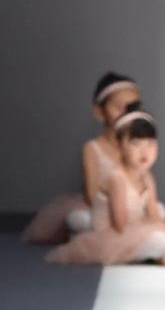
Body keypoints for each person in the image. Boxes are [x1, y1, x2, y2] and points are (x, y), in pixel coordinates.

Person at [45, 108, 165, 266]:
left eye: (150, 144)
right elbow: (120, 226)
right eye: (136, 143)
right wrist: (162, 231)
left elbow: (153, 215)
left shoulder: (147, 177)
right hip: (115, 238)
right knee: (158, 241)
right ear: (120, 146)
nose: (144, 151)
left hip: (139, 230)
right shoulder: (116, 178)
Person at [21, 72, 147, 245]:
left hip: (129, 205)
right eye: (119, 107)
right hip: (100, 207)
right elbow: (91, 193)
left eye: (132, 108)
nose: (126, 114)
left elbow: (142, 183)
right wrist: (114, 206)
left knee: (159, 211)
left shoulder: (136, 148)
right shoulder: (92, 148)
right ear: (99, 112)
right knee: (80, 219)